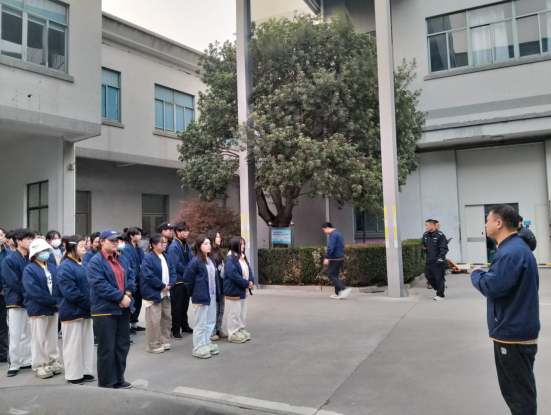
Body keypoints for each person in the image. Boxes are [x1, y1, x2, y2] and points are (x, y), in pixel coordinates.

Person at [471, 205, 540, 415]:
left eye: (487, 220)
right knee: (521, 390)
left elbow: (493, 286)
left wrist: (476, 274)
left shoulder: (510, 252)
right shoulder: (516, 247)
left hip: (512, 333)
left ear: (499, 223)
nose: (485, 225)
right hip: (517, 329)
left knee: (518, 395)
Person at [86, 229, 135, 389]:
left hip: (123, 309)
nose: (116, 242)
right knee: (107, 347)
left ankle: (119, 378)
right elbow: (99, 285)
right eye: (112, 240)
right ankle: (107, 381)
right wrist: (120, 297)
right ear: (102, 242)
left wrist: (128, 294)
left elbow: (131, 277)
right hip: (105, 310)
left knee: (122, 346)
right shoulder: (95, 261)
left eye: (117, 240)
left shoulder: (122, 258)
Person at [56, 235, 95, 385]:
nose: (84, 248)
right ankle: (73, 374)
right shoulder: (65, 267)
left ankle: (85, 371)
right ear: (72, 247)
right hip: (72, 311)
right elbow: (71, 292)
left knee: (86, 343)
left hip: (86, 310)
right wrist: (89, 304)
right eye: (81, 246)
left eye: (85, 245)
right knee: (73, 345)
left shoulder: (82, 264)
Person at [22, 238, 61, 379]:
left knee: (52, 337)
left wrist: (57, 301)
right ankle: (39, 365)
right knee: (39, 339)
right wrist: (53, 301)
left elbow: (58, 284)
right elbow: (33, 290)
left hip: (53, 307)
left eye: (47, 250)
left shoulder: (52, 267)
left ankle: (53, 360)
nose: (46, 253)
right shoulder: (29, 269)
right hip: (38, 307)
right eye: (43, 250)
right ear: (35, 253)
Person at [2, 228, 35, 377]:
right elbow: (12, 282)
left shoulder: (31, 258)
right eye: (28, 239)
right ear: (18, 241)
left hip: (29, 301)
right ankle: (14, 364)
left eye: (31, 239)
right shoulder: (9, 259)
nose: (30, 241)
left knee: (28, 333)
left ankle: (26, 360)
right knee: (15, 334)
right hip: (15, 301)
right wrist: (28, 294)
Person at [183, 235, 220, 359]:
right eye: (205, 244)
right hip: (201, 296)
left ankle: (206, 342)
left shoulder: (211, 260)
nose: (208, 246)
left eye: (209, 243)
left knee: (210, 321)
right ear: (199, 246)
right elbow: (187, 280)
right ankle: (198, 346)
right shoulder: (195, 261)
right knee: (200, 323)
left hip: (211, 294)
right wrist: (195, 293)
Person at [140, 233, 177, 353]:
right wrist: (161, 286)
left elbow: (173, 271)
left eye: (165, 242)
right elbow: (148, 275)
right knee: (154, 320)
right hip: (153, 293)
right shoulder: (148, 258)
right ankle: (153, 345)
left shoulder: (166, 257)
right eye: (162, 242)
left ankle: (163, 340)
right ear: (153, 245)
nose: (164, 244)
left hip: (166, 293)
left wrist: (171, 284)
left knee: (166, 317)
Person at [224, 236, 254, 344]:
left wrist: (251, 280)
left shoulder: (242, 257)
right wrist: (246, 283)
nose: (243, 246)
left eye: (243, 244)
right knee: (234, 313)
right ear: (234, 245)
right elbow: (233, 275)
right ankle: (233, 333)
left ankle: (240, 329)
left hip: (242, 290)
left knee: (242, 312)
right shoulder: (230, 258)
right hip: (233, 290)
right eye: (241, 244)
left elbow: (248, 269)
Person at [167, 221, 194, 339]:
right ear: (178, 232)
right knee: (177, 306)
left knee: (184, 305)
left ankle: (184, 325)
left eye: (187, 230)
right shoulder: (174, 246)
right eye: (184, 231)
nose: (187, 233)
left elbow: (192, 259)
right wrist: (189, 272)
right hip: (178, 280)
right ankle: (175, 329)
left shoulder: (186, 244)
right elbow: (176, 264)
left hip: (186, 279)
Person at [206, 230, 228, 341]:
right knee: (213, 309)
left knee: (221, 308)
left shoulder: (219, 251)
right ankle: (211, 331)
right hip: (214, 285)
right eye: (217, 237)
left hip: (221, 283)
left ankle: (219, 328)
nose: (220, 238)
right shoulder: (209, 253)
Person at [321, 222, 351, 299]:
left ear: (327, 228)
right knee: (335, 275)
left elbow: (331, 247)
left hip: (335, 258)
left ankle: (344, 288)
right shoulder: (338, 234)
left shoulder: (333, 235)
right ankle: (338, 293)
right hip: (340, 257)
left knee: (330, 274)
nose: (324, 232)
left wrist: (327, 257)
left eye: (324, 230)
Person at [421, 219, 448, 300]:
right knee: (428, 275)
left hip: (438, 261)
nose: (426, 227)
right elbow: (423, 245)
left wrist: (440, 258)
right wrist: (423, 247)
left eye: (427, 225)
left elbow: (444, 248)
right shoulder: (425, 235)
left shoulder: (440, 235)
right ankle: (439, 288)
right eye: (425, 225)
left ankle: (440, 295)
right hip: (429, 260)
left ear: (432, 226)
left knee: (439, 278)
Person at [125, 227, 145, 335]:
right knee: (131, 303)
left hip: (140, 279)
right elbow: (129, 265)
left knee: (138, 302)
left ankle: (134, 324)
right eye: (137, 234)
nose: (140, 236)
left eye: (140, 234)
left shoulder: (139, 248)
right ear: (131, 236)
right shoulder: (127, 248)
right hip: (133, 280)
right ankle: (128, 325)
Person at [0, 228, 10, 364]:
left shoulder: (8, 253)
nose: (0, 237)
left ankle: (3, 354)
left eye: (2, 235)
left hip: (4, 294)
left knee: (3, 325)